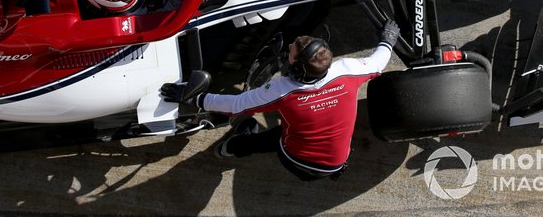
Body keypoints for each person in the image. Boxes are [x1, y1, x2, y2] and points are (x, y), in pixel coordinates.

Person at [160, 20, 400, 181]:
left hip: (298, 162)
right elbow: (379, 61)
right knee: (296, 126)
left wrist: (196, 98)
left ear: (296, 70)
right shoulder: (349, 70)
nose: (288, 51)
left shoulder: (282, 90)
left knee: (273, 137)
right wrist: (388, 40)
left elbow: (236, 105)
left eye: (291, 52)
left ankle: (230, 148)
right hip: (336, 164)